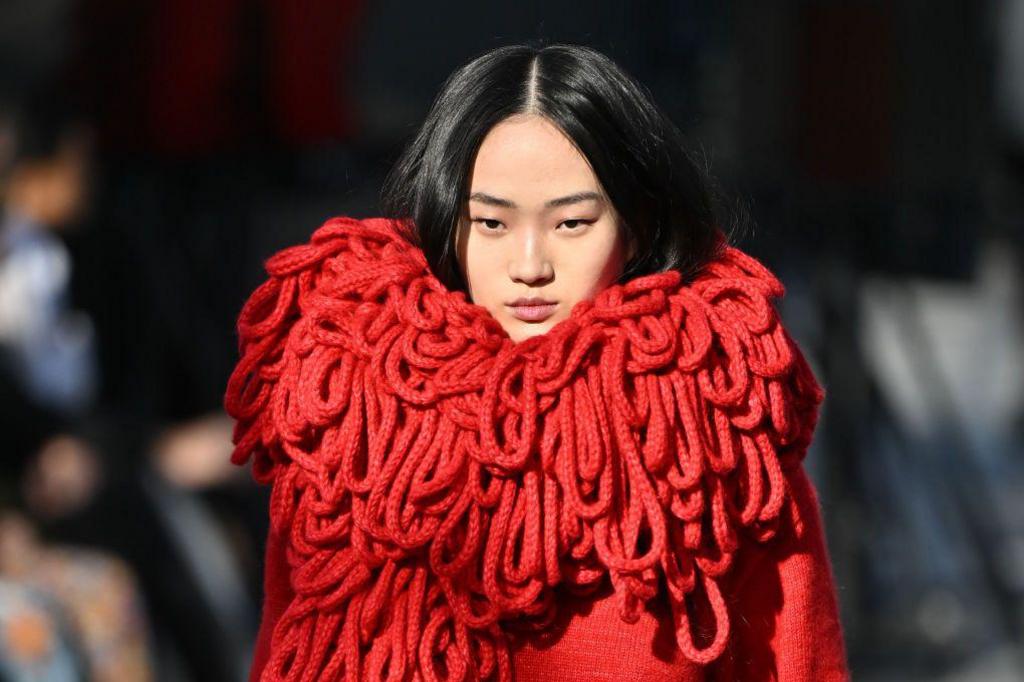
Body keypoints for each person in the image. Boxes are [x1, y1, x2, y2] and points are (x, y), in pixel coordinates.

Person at [225, 42, 850, 681]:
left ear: (635, 224)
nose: (530, 266)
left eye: (572, 223)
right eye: (491, 224)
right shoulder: (349, 426)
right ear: (446, 221)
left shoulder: (715, 437)